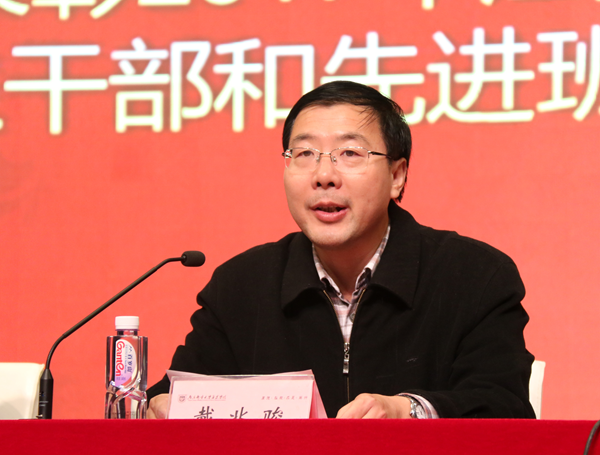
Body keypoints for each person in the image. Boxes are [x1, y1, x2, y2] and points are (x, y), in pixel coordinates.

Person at [147, 81, 535, 419]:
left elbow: (504, 406)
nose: (324, 176)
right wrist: (160, 406)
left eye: (350, 153)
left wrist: (408, 411)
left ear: (397, 175)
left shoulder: (474, 276)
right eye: (304, 154)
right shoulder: (241, 286)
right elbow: (171, 395)